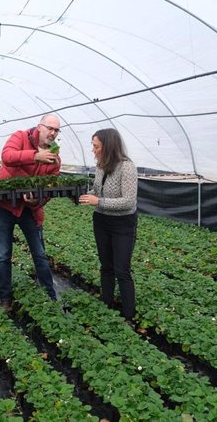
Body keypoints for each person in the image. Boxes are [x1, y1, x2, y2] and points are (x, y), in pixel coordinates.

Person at [0, 113, 61, 312]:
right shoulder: (20, 137)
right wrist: (35, 156)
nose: (53, 133)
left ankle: (50, 297)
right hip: (5, 207)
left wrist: (37, 201)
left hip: (29, 211)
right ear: (40, 126)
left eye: (57, 130)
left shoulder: (54, 158)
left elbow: (49, 188)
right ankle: (5, 298)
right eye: (50, 128)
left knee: (39, 254)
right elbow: (7, 156)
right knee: (4, 255)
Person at [78, 128, 138, 320]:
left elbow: (129, 201)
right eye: (93, 146)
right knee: (106, 266)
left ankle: (128, 316)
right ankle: (107, 306)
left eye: (96, 146)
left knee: (122, 269)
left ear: (108, 146)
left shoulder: (127, 167)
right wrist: (86, 195)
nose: (93, 150)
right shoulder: (100, 165)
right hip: (102, 220)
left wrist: (99, 202)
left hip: (123, 223)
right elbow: (97, 189)